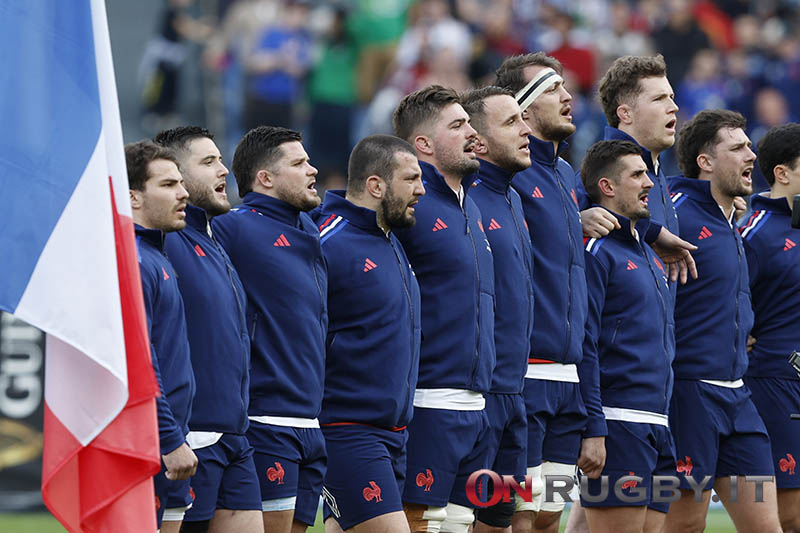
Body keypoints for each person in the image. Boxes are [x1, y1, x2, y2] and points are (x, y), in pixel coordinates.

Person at [664, 109, 781, 533]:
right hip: (689, 395)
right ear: (706, 161)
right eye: (738, 148)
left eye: (749, 145)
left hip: (738, 395)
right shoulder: (675, 214)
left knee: (767, 527)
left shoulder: (733, 220)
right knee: (685, 526)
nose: (752, 155)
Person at [211, 126, 328, 533]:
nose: (312, 170)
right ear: (265, 178)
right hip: (266, 418)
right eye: (299, 163)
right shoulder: (233, 227)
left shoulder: (309, 228)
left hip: (311, 419)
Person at [494, 53, 592, 533]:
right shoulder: (508, 174)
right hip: (526, 375)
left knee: (548, 519)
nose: (567, 97)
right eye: (552, 89)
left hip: (568, 379)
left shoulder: (567, 176)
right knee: (518, 516)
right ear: (523, 109)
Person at [392, 85, 495, 533]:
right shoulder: (406, 207)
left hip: (478, 402)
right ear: (423, 144)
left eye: (470, 123)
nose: (473, 133)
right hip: (428, 401)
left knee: (460, 524)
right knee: (420, 522)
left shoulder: (471, 205)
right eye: (457, 126)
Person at [312, 134, 425, 533]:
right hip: (347, 431)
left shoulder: (391, 239)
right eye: (410, 179)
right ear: (376, 185)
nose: (421, 190)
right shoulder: (327, 241)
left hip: (394, 432)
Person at [154, 127, 263, 533]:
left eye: (220, 159)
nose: (224, 170)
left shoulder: (212, 238)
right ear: (175, 176)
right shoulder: (164, 241)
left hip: (235, 437)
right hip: (190, 439)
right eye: (209, 162)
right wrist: (171, 435)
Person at [579, 140, 676, 533]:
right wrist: (594, 426)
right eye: (637, 175)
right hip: (619, 424)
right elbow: (585, 344)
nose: (649, 183)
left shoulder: (650, 254)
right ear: (607, 186)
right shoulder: (596, 252)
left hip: (659, 422)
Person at [459, 86, 534, 533]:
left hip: (514, 397)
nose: (526, 130)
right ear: (479, 143)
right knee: (457, 522)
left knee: (505, 522)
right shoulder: (463, 199)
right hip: (477, 398)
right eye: (512, 122)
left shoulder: (514, 197)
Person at [126, 140, 197, 532]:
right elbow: (138, 358)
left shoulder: (155, 254)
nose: (183, 192)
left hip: (166, 444)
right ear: (133, 197)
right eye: (168, 184)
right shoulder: (135, 260)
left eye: (181, 183)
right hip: (146, 447)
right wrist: (169, 439)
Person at [740, 123, 800, 533]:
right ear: (782, 173)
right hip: (775, 383)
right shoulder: (753, 233)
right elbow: (724, 300)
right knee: (790, 515)